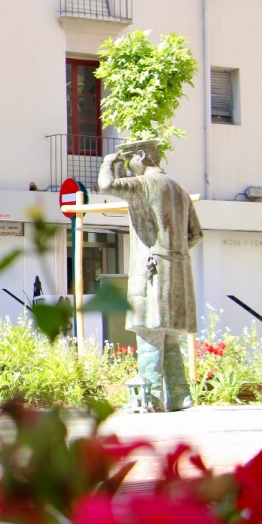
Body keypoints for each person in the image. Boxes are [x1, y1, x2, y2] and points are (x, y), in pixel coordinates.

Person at [99, 139, 203, 412]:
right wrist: (174, 250)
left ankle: (152, 398)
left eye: (129, 158)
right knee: (170, 338)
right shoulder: (180, 190)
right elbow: (196, 235)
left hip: (151, 268)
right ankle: (181, 396)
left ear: (142, 156)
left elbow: (107, 185)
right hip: (179, 269)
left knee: (149, 334)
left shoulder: (145, 184)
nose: (128, 165)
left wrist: (109, 162)